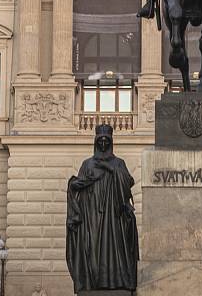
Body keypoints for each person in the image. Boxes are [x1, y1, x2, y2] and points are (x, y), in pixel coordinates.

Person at [66, 124, 138, 293]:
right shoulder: (87, 164)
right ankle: (92, 282)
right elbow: (78, 184)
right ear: (96, 142)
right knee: (92, 251)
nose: (103, 144)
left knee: (116, 250)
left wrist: (111, 169)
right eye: (101, 141)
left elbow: (128, 182)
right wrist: (76, 183)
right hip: (91, 216)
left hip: (113, 216)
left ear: (111, 142)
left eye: (106, 141)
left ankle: (116, 281)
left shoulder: (119, 163)